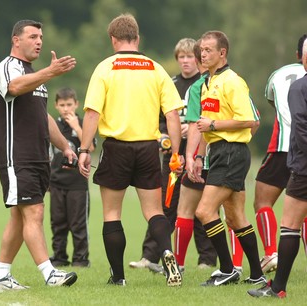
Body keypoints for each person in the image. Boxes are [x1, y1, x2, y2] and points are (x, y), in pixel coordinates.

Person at [78, 13, 184, 287]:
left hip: (116, 149)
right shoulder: (156, 69)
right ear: (137, 38)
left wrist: (84, 148)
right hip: (149, 148)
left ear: (113, 39)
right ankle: (167, 253)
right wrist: (175, 152)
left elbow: (91, 114)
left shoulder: (105, 68)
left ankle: (119, 278)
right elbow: (172, 115)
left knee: (112, 214)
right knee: (154, 212)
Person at [0, 19, 78, 292]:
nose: (39, 41)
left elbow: (44, 117)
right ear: (16, 40)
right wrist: (50, 72)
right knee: (34, 211)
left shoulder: (34, 74)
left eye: (41, 36)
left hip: (39, 157)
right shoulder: (7, 68)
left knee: (20, 216)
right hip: (18, 156)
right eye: (32, 36)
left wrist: (65, 146)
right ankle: (49, 273)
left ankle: (1, 277)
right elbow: (14, 87)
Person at [129, 38, 217, 272]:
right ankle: (150, 256)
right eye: (181, 57)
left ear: (198, 59)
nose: (186, 61)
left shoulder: (207, 83)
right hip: (174, 155)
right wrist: (165, 135)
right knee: (164, 205)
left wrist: (193, 127)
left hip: (201, 153)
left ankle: (206, 259)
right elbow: (158, 120)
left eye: (190, 56)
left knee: (200, 208)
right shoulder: (170, 84)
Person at [191, 31, 263, 286]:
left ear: (222, 53)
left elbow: (250, 119)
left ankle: (227, 269)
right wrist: (200, 153)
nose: (203, 53)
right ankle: (257, 274)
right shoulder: (208, 82)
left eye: (209, 49)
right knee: (234, 217)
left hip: (231, 152)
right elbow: (204, 126)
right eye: (202, 49)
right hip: (221, 151)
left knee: (204, 210)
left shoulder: (232, 81)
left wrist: (214, 124)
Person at [248, 37, 307, 299]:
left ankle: (276, 281)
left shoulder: (295, 86)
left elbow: (301, 127)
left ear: (300, 56)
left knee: (288, 222)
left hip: (300, 162)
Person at [49, 87, 95, 268]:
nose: (66, 108)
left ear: (76, 104)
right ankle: (59, 256)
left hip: (77, 183)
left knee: (78, 224)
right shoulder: (54, 126)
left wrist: (76, 127)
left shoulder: (84, 124)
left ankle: (81, 259)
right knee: (58, 222)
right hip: (56, 182)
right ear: (56, 106)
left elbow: (90, 147)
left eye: (69, 104)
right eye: (62, 105)